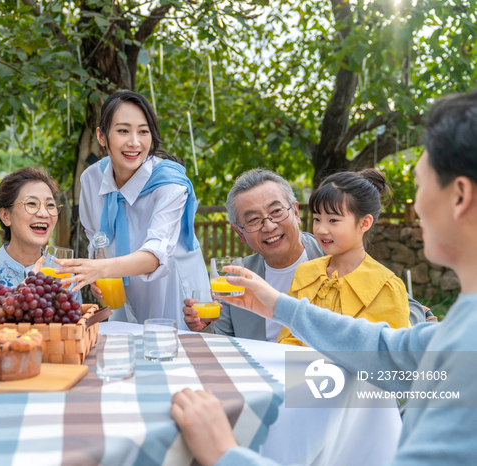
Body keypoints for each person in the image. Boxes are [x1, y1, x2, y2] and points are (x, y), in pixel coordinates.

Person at [171, 90, 477, 466]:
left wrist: (223, 454)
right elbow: (385, 348)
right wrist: (278, 305)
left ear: (459, 196)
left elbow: (393, 326)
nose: (413, 204)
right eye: (253, 219)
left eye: (419, 183)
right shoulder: (463, 326)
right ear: (240, 231)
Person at [182, 169, 426, 341]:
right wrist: (204, 327)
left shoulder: (333, 255)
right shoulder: (238, 277)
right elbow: (225, 341)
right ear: (240, 233)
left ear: (296, 211)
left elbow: (407, 310)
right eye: (254, 220)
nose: (268, 226)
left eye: (276, 212)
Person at [57, 90, 209, 329]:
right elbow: (96, 240)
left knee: (174, 355)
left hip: (173, 292)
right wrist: (98, 270)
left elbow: (154, 255)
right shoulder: (91, 180)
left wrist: (99, 268)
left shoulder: (170, 184)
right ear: (102, 136)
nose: (134, 142)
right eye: (123, 130)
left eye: (143, 131)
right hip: (119, 294)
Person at [277, 169, 410, 345]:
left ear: (364, 223)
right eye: (317, 219)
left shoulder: (386, 286)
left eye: (333, 220)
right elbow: (287, 337)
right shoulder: (305, 273)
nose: (321, 229)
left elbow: (393, 354)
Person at [0, 167, 81, 307]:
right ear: (5, 216)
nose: (44, 213)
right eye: (31, 203)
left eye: (50, 205)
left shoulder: (67, 275)